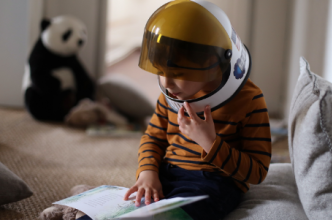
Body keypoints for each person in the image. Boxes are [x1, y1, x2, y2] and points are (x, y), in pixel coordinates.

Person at [77, 0, 271, 219]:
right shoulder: (172, 95)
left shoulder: (250, 100)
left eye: (178, 73)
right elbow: (153, 138)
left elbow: (257, 172)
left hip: (212, 183)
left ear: (212, 63)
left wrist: (210, 143)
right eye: (160, 71)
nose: (166, 83)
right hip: (166, 173)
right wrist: (148, 172)